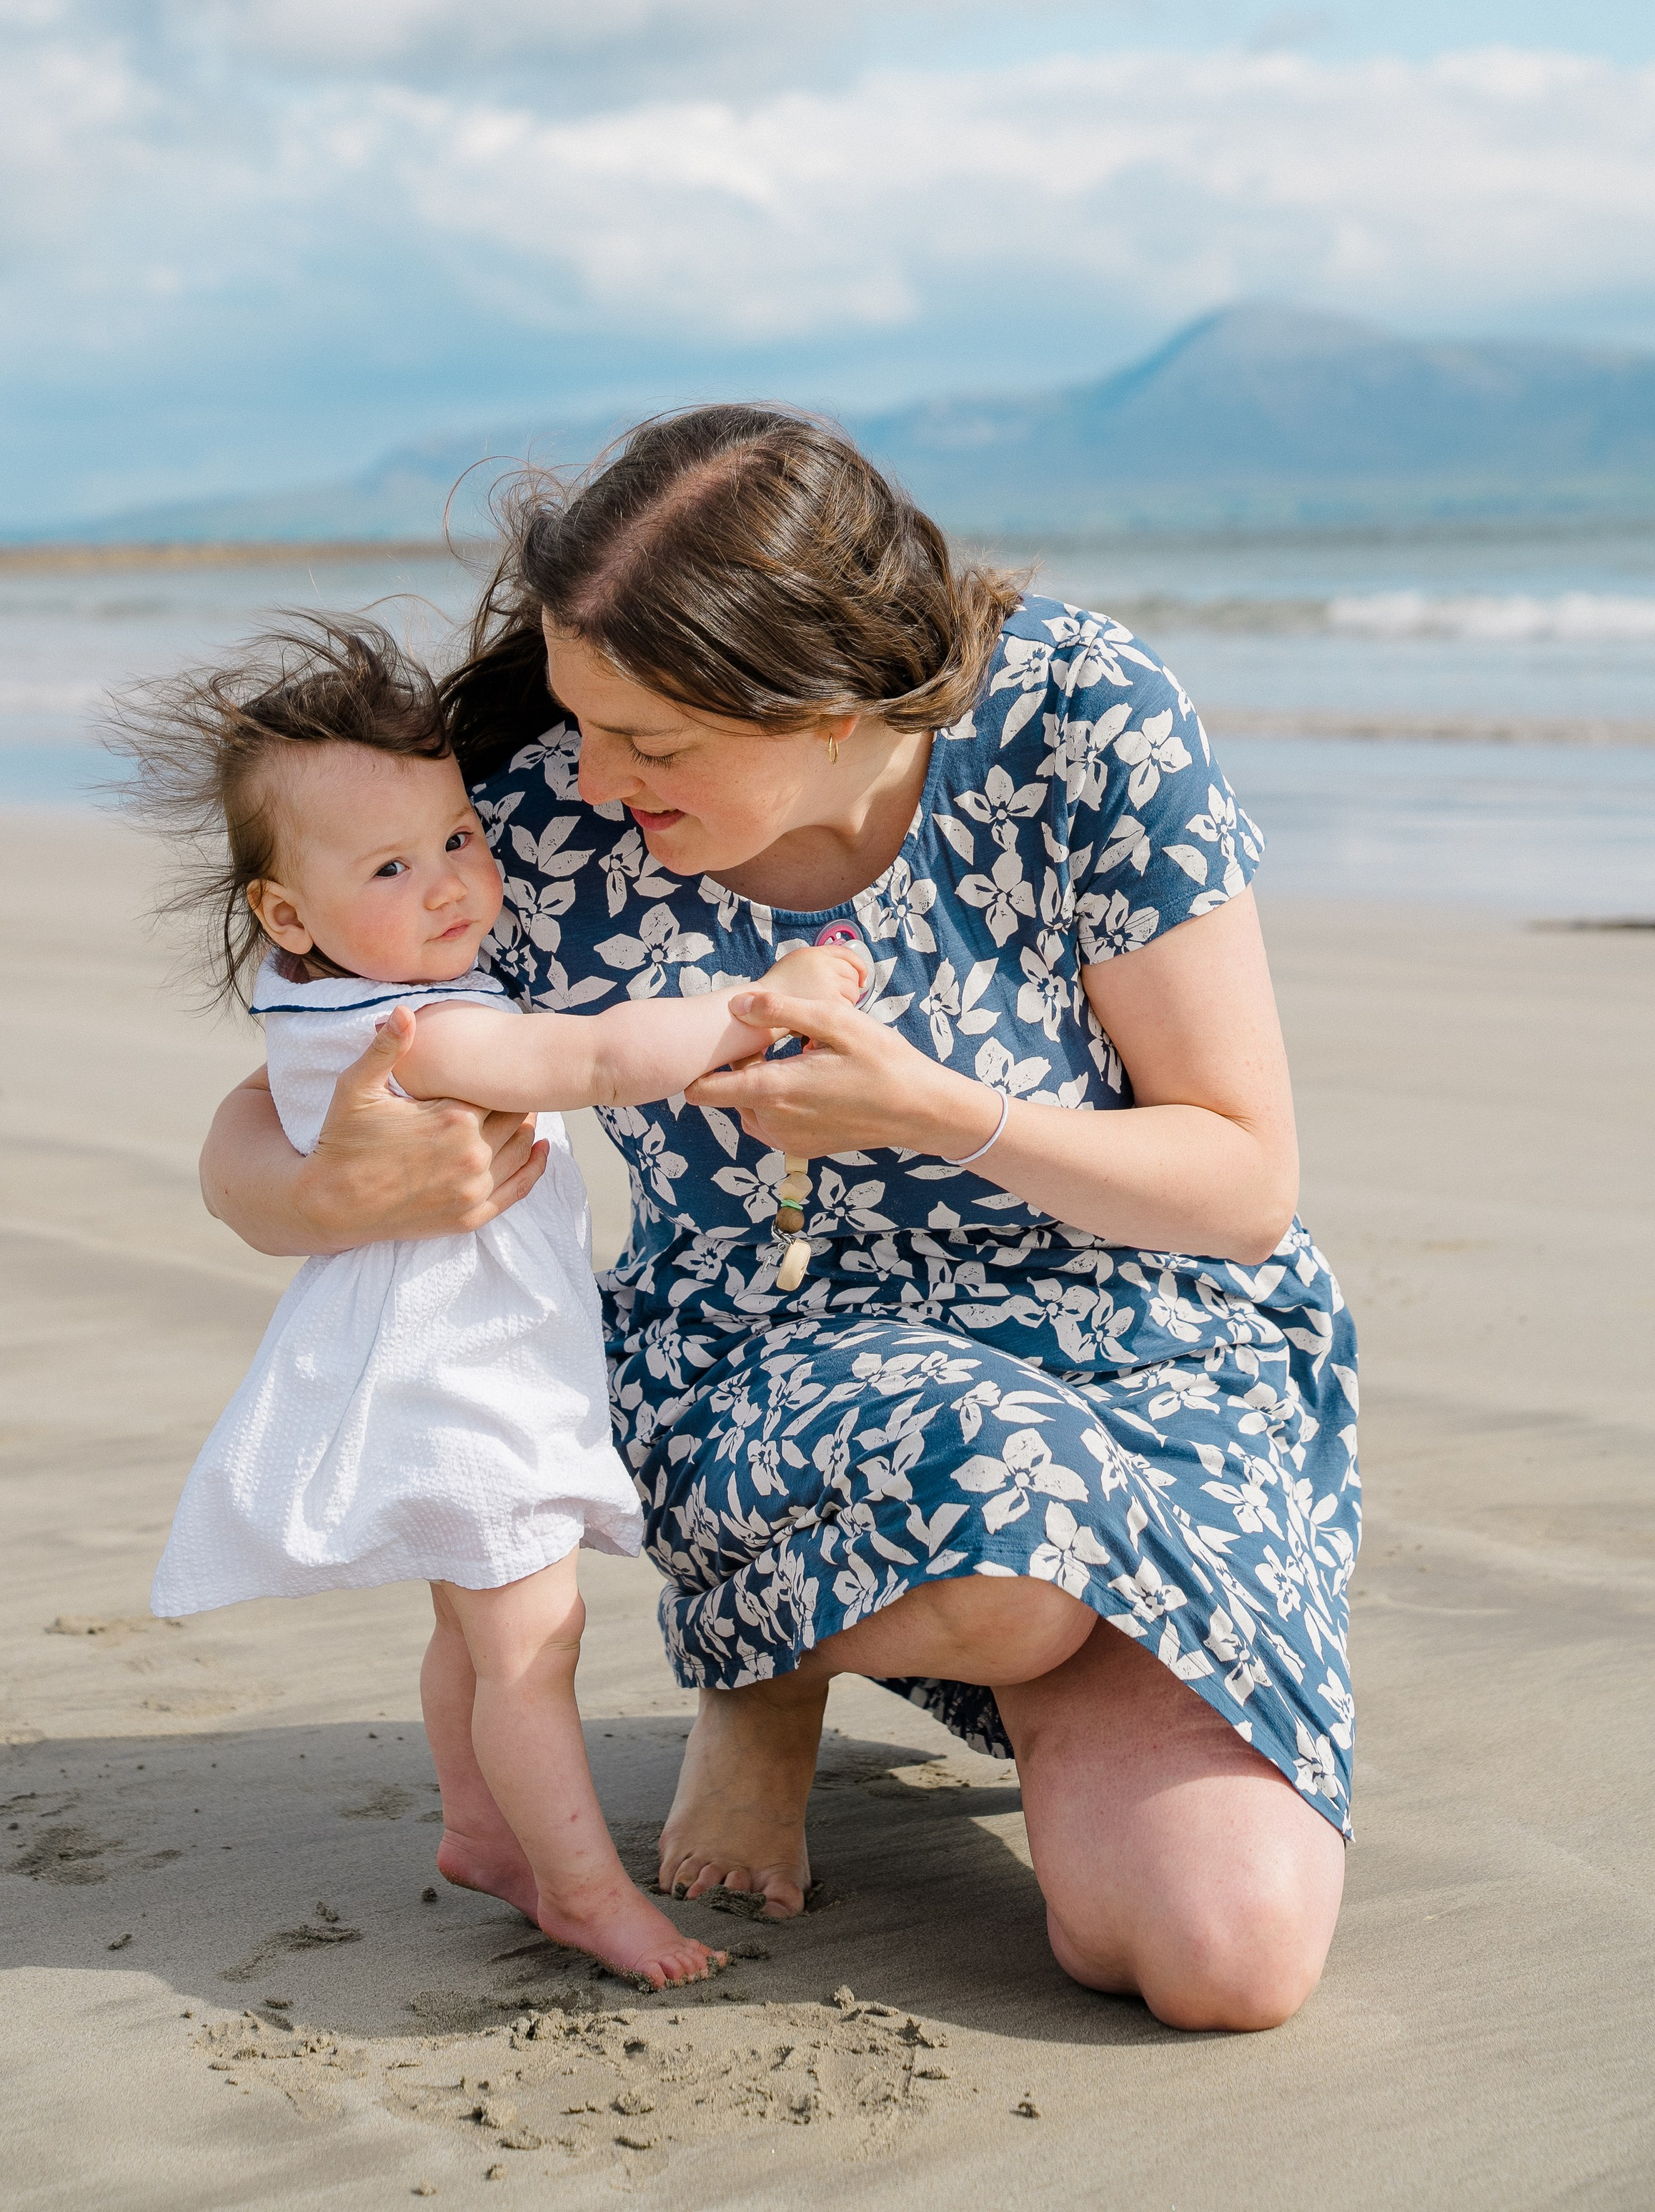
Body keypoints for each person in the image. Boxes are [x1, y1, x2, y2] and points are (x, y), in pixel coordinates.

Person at [199, 412, 1360, 2033]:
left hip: (1153, 1342)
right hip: (773, 1359)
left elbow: (1243, 1184)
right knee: (995, 1526)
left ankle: (995, 1631)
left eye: (652, 743)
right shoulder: (535, 821)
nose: (594, 780)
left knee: (1219, 1963)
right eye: (582, 717)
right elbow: (278, 1099)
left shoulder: (1083, 719)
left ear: (822, 704)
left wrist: (937, 1110)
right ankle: (772, 1667)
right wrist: (321, 1192)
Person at [110, 614, 866, 1991]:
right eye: (392, 868)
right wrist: (767, 1005)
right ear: (289, 914)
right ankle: (583, 1890)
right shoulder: (430, 1030)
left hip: (431, 1364)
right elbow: (589, 1055)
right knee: (533, 1643)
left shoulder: (323, 998)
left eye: (459, 836)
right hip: (465, 1374)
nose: (453, 881)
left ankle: (482, 1831)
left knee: (471, 1631)